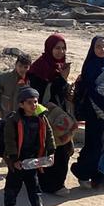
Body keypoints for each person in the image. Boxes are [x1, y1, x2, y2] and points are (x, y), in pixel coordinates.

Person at [27, 33, 75, 196]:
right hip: (44, 115)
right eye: (57, 48)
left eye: (63, 48)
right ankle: (49, 184)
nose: (60, 52)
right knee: (48, 148)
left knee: (64, 147)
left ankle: (56, 182)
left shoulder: (59, 67)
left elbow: (60, 93)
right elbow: (37, 94)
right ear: (49, 48)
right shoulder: (39, 68)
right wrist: (61, 79)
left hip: (60, 114)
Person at [74, 36, 104, 189]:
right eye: (98, 47)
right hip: (94, 112)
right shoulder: (89, 66)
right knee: (94, 145)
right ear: (92, 49)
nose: (102, 49)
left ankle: (103, 178)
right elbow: (91, 91)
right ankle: (82, 173)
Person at [2, 87, 54, 206]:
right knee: (14, 183)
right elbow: (10, 140)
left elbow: (48, 134)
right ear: (21, 104)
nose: (34, 105)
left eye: (35, 102)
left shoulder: (41, 118)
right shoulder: (14, 120)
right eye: (30, 102)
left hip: (32, 159)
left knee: (34, 183)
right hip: (18, 158)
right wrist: (14, 159)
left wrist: (50, 150)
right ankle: (10, 205)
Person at [0, 54, 32, 118]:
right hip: (6, 112)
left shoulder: (30, 80)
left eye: (25, 67)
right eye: (20, 66)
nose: (22, 69)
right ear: (16, 65)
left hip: (22, 113)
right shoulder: (5, 77)